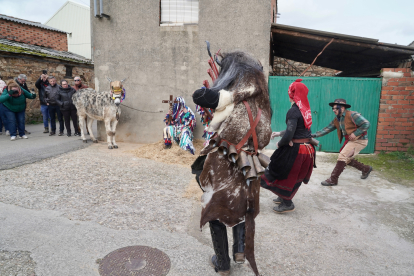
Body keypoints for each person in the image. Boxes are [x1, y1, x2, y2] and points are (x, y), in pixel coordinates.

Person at [192, 51, 272, 276]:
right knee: (240, 206)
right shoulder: (263, 107)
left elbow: (199, 95)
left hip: (223, 165)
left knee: (216, 211)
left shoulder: (229, 99)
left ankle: (223, 264)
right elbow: (263, 138)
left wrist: (226, 89)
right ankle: (239, 251)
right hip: (250, 167)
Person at [260, 79, 315, 214]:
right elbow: (298, 130)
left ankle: (287, 202)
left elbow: (290, 133)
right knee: (291, 174)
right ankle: (282, 196)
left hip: (297, 151)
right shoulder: (305, 109)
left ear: (293, 94)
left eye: (289, 92)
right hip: (307, 149)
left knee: (284, 172)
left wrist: (280, 143)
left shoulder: (294, 111)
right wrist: (280, 133)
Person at [312, 99, 372, 186]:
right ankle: (365, 169)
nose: (334, 110)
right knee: (346, 158)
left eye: (336, 108)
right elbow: (326, 129)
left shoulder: (353, 115)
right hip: (352, 141)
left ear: (343, 108)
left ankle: (333, 179)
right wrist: (313, 135)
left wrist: (355, 133)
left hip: (360, 140)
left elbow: (366, 124)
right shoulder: (337, 119)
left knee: (342, 156)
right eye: (333, 108)